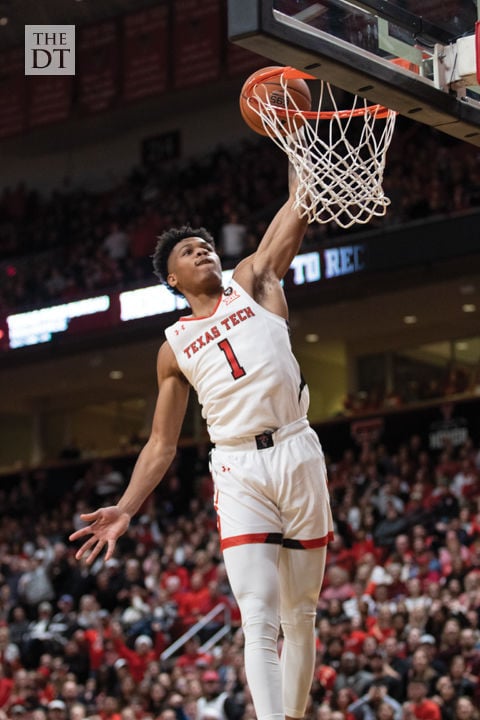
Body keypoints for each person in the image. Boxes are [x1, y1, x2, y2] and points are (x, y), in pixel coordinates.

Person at [69, 162, 334, 720]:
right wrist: (124, 509)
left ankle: (293, 715)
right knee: (258, 614)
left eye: (206, 245)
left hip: (296, 446)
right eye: (188, 251)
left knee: (301, 613)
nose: (202, 252)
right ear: (172, 280)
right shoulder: (173, 348)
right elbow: (161, 445)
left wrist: (293, 141)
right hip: (238, 467)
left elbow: (299, 205)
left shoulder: (255, 280)